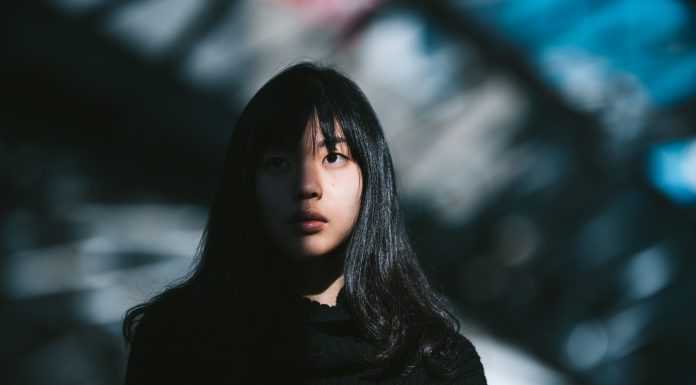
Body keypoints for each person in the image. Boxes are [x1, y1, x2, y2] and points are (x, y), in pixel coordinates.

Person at [123, 62, 487, 384]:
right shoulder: (178, 338)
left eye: (333, 157)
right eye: (279, 163)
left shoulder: (437, 364)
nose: (306, 187)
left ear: (372, 178)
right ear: (245, 184)